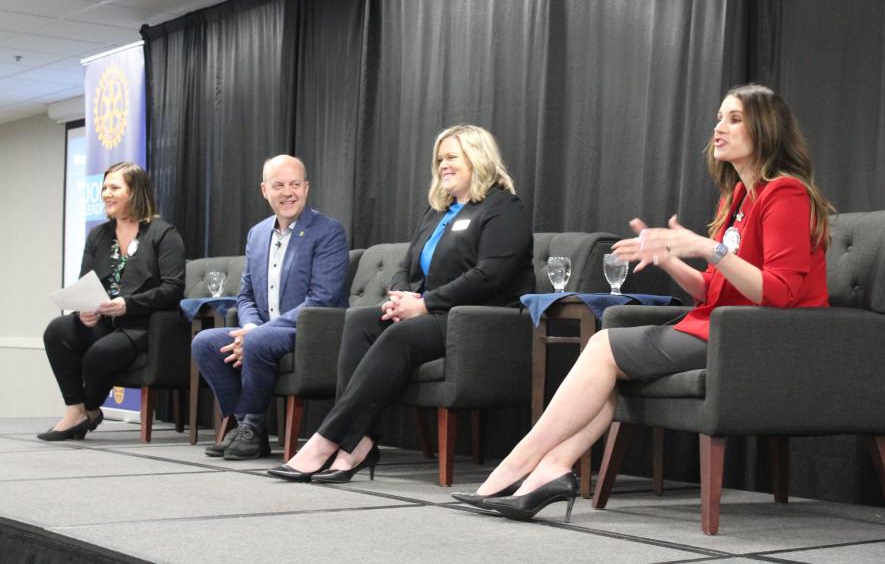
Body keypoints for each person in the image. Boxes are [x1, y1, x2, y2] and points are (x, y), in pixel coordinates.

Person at [455, 84, 833, 522]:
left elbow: (781, 292)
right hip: (723, 324)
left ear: (765, 130)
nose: (718, 128)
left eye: (733, 119)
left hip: (761, 337)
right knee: (608, 373)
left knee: (603, 347)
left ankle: (518, 464)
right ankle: (552, 470)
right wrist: (669, 259)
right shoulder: (740, 200)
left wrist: (708, 249)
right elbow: (711, 290)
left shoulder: (786, 193)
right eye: (718, 118)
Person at [267, 124, 534, 482]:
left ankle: (326, 440)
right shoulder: (438, 211)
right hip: (430, 310)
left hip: (472, 319)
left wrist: (425, 303)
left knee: (399, 337)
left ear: (478, 158)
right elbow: (407, 266)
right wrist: (399, 297)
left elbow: (490, 275)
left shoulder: (503, 208)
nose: (443, 165)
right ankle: (357, 443)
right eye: (440, 159)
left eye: (452, 157)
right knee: (360, 321)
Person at [192, 155, 349, 460]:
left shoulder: (328, 231)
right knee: (206, 343)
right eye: (278, 185)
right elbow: (246, 295)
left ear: (306, 188)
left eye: (294, 184)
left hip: (310, 330)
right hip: (264, 331)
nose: (287, 192)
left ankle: (251, 425)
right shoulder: (258, 233)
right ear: (265, 190)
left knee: (259, 341)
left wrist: (257, 334)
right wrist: (250, 327)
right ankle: (247, 427)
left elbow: (322, 299)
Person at [40, 162, 186, 441]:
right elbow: (86, 281)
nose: (106, 193)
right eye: (104, 187)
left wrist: (128, 304)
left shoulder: (163, 234)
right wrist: (85, 309)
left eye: (114, 187)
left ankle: (90, 410)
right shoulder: (99, 234)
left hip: (142, 326)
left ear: (135, 192)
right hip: (104, 320)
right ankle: (76, 410)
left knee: (100, 353)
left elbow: (173, 288)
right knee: (57, 330)